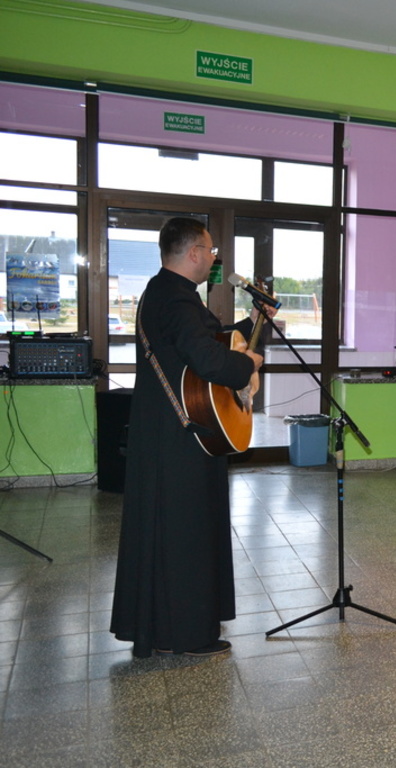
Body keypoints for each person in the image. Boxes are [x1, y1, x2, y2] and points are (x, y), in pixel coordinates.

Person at [111, 217, 264, 658]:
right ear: (194, 252)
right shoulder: (176, 299)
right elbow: (210, 360)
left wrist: (251, 322)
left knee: (169, 531)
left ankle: (163, 629)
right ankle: (187, 635)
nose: (214, 258)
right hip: (180, 439)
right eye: (211, 250)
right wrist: (248, 365)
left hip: (171, 432)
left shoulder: (166, 292)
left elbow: (208, 340)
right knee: (185, 534)